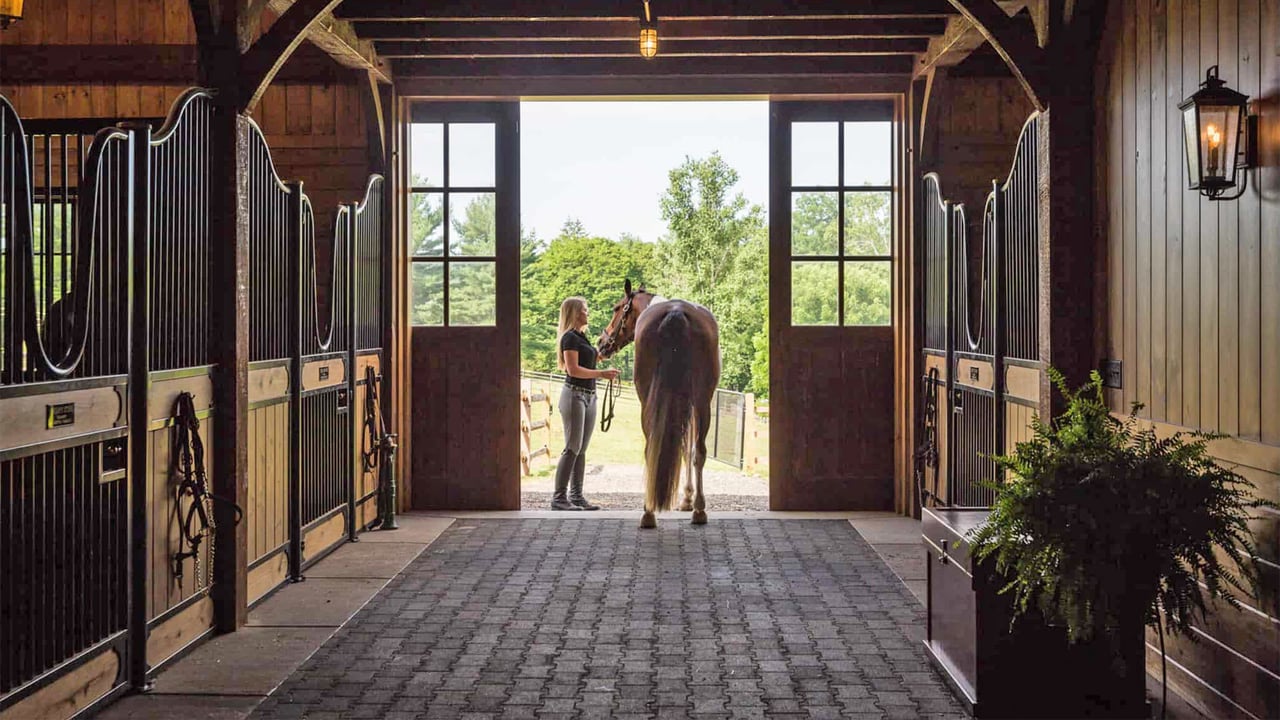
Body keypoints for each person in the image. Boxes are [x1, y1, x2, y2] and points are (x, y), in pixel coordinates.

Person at [552, 297, 618, 511]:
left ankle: (577, 496)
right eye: (584, 310)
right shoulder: (569, 338)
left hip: (589, 395)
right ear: (574, 313)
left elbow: (591, 359)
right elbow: (573, 370)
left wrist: (605, 353)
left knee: (581, 449)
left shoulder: (582, 337)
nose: (587, 313)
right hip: (574, 395)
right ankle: (559, 498)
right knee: (572, 447)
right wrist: (602, 374)